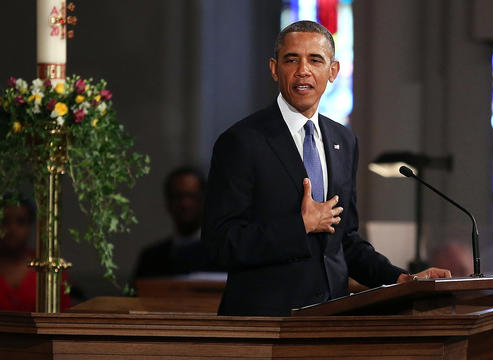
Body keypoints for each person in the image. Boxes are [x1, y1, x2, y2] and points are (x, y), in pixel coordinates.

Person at [204, 20, 451, 316]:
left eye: (315, 60)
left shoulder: (344, 141)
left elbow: (344, 241)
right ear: (274, 69)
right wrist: (300, 226)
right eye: (291, 59)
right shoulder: (242, 142)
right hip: (266, 324)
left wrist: (401, 280)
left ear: (332, 72)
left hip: (331, 320)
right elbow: (220, 243)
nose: (303, 70)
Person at [133, 166, 219, 281]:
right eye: (178, 196)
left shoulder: (222, 254)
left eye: (192, 196)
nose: (185, 204)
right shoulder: (151, 258)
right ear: (168, 203)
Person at [0, 197, 71, 311]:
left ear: (31, 226)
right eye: (4, 221)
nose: (12, 229)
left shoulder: (48, 266)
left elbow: (63, 314)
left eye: (20, 222)